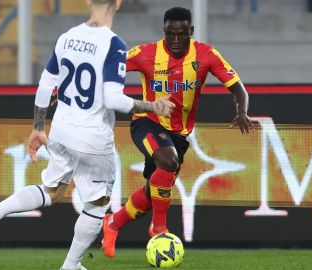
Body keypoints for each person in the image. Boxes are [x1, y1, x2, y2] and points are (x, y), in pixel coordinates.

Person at [0, 0, 174, 270]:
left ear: (87, 1)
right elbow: (112, 99)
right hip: (93, 139)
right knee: (97, 204)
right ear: (117, 3)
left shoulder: (67, 38)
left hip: (61, 131)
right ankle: (70, 265)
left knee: (51, 190)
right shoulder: (113, 44)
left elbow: (46, 84)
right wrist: (153, 105)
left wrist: (38, 127)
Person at [101, 7, 255, 258]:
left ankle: (112, 223)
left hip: (179, 134)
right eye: (169, 34)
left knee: (154, 191)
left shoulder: (206, 54)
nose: (174, 40)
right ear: (164, 31)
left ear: (190, 32)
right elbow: (108, 66)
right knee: (168, 161)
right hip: (147, 122)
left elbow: (238, 88)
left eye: (181, 34)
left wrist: (242, 111)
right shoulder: (145, 53)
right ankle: (158, 228)